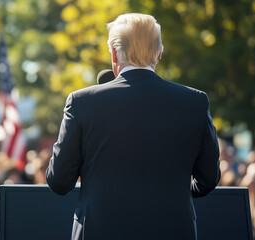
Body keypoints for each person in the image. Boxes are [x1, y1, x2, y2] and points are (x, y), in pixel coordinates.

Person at [46, 13, 220, 240]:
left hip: (99, 231)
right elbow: (208, 179)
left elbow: (59, 181)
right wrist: (173, 193)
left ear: (114, 53)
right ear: (159, 53)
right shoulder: (195, 102)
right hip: (173, 230)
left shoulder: (82, 102)